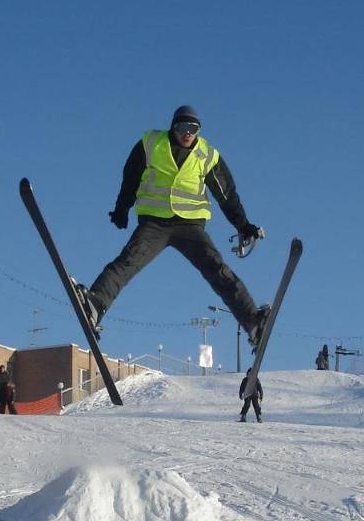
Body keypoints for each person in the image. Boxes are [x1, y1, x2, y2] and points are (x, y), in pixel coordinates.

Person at [73, 105, 269, 347]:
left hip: (190, 226)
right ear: (173, 127)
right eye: (183, 127)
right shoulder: (151, 144)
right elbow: (131, 177)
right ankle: (95, 303)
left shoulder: (207, 155)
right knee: (128, 261)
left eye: (193, 129)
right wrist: (122, 207)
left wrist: (243, 224)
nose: (187, 134)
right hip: (155, 224)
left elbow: (226, 194)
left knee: (217, 269)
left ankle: (252, 321)